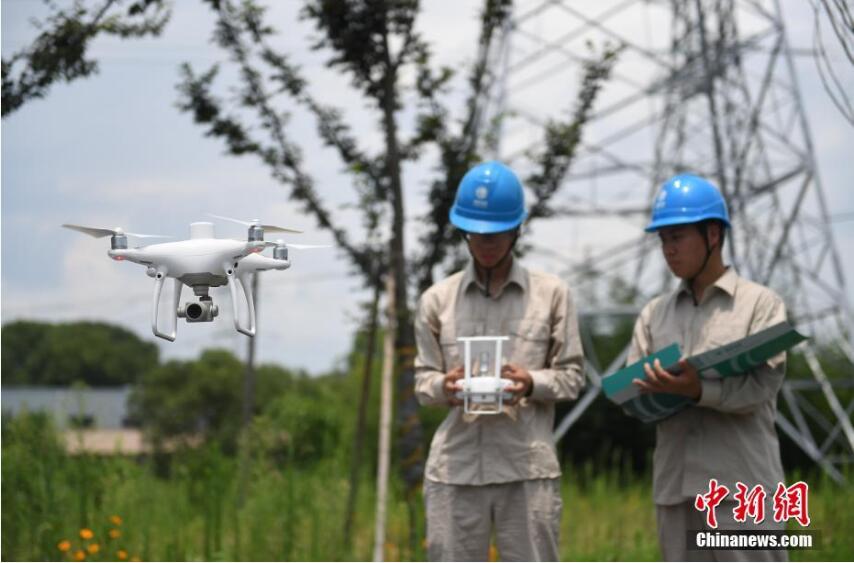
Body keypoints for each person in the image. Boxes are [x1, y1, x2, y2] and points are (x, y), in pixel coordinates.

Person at [414, 160, 585, 562]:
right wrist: (444, 386)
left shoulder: (552, 295)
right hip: (455, 469)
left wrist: (531, 382)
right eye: (476, 233)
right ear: (462, 231)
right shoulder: (437, 300)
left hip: (526, 467)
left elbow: (573, 377)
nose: (486, 242)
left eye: (496, 233)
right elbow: (423, 382)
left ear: (516, 230)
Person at [628, 173, 789, 562]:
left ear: (713, 234)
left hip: (742, 494)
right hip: (676, 493)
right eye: (663, 240)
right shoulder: (654, 314)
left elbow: (761, 389)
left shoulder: (759, 305)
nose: (668, 249)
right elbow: (633, 390)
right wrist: (647, 391)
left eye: (678, 237)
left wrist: (700, 391)